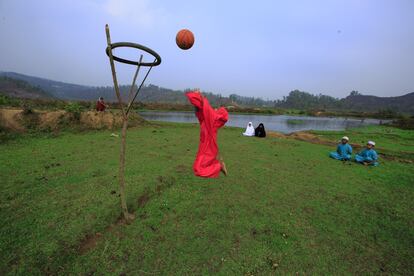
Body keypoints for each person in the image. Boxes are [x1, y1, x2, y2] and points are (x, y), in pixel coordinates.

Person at [186, 90, 229, 178]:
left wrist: (199, 94)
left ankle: (219, 166)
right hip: (203, 141)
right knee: (196, 167)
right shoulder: (204, 115)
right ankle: (217, 165)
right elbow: (195, 103)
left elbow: (195, 98)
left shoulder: (209, 115)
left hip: (207, 141)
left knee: (198, 170)